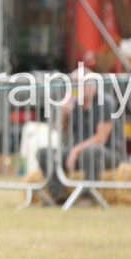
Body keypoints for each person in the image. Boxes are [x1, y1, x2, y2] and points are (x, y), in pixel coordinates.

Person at [37, 70, 126, 203]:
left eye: (80, 84)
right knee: (44, 153)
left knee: (91, 151)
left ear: (92, 85)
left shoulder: (105, 102)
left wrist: (75, 150)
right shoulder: (73, 103)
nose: (76, 87)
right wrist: (63, 114)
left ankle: (88, 195)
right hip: (79, 153)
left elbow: (100, 138)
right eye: (74, 84)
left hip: (106, 153)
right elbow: (61, 131)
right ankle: (58, 195)